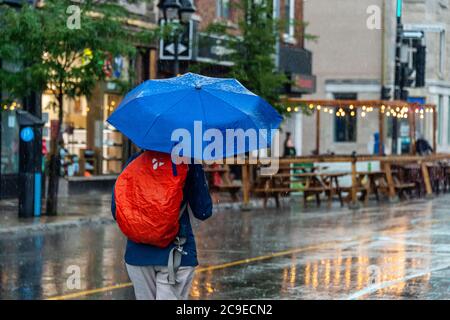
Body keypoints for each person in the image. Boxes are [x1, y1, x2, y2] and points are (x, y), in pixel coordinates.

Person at [111, 151, 213, 300]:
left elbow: (116, 210)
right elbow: (203, 211)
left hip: (138, 255)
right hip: (176, 254)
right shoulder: (188, 161)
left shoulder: (134, 161)